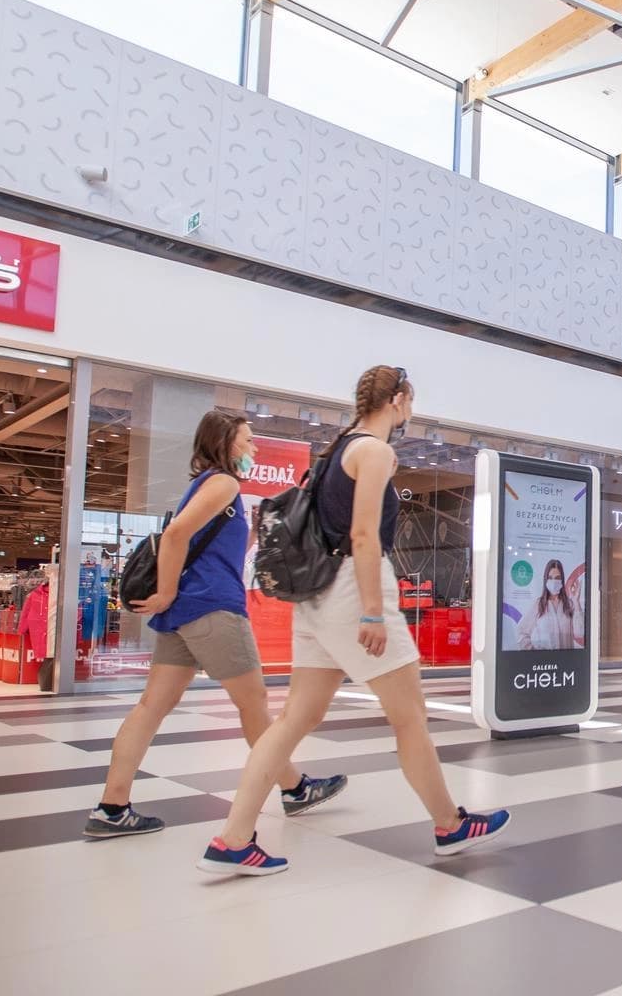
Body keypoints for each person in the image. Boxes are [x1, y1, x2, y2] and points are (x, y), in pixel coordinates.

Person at [199, 365, 509, 876]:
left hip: (315, 597)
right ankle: (449, 824)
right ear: (398, 400)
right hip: (353, 589)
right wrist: (372, 611)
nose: (411, 410)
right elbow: (364, 536)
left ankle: (233, 838)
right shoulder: (374, 452)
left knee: (295, 719)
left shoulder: (337, 449)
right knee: (409, 716)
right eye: (411, 401)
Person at [86, 410, 345, 839]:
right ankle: (295, 788)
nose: (253, 448)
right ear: (225, 444)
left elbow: (208, 549)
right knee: (254, 703)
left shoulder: (207, 486)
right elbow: (175, 536)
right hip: (212, 609)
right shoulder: (223, 483)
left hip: (184, 614)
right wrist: (165, 592)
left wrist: (251, 534)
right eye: (248, 440)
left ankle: (112, 807)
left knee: (151, 707)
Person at [517, 559, 584, 650]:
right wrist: (533, 652)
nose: (554, 581)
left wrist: (576, 601)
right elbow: (521, 632)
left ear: (562, 580)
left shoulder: (570, 604)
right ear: (546, 580)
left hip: (566, 658)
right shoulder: (539, 604)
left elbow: (580, 633)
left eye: (557, 578)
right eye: (550, 577)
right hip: (545, 658)